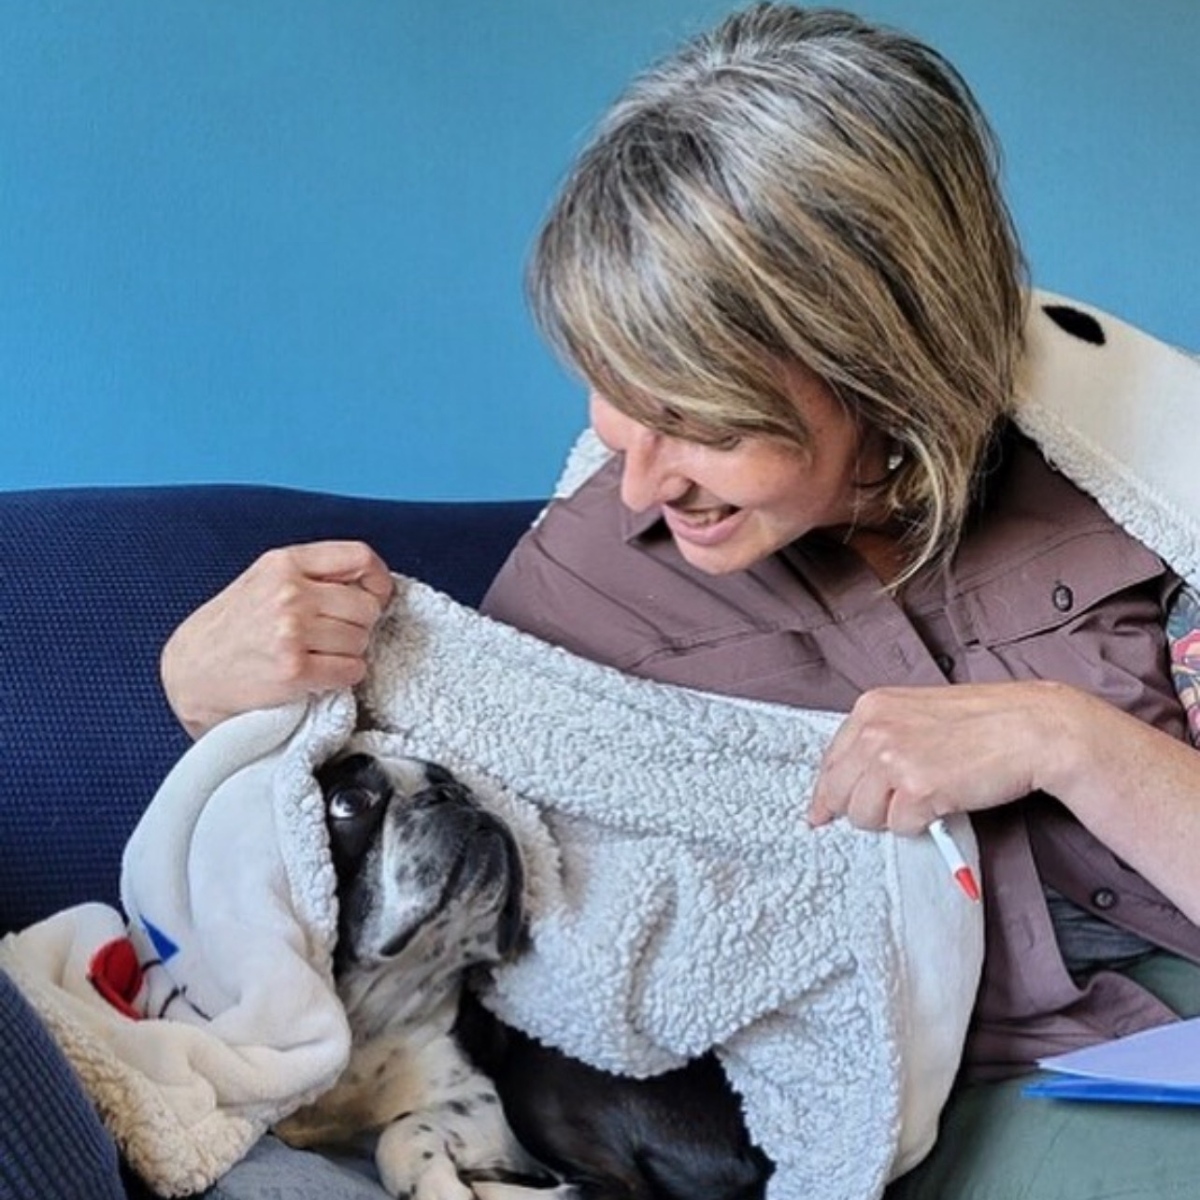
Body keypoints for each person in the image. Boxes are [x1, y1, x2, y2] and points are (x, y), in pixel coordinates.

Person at [161, 5, 1200, 1197]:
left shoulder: (1141, 472)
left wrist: (1065, 740)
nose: (642, 483)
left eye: (703, 422)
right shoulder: (581, 588)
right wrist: (205, 706)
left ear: (880, 364)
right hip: (969, 1094)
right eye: (614, 395)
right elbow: (346, 877)